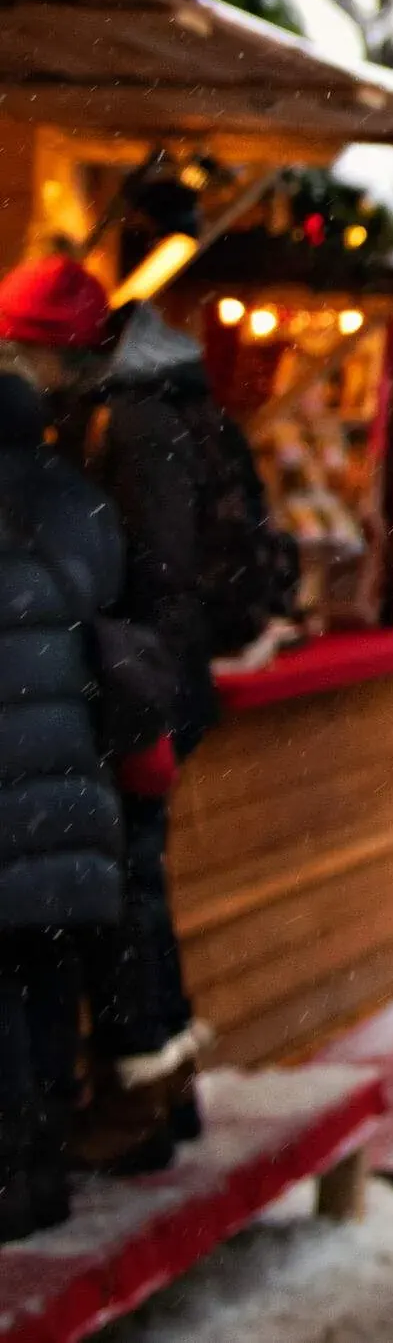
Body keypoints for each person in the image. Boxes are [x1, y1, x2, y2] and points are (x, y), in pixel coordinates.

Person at [72, 298, 294, 1170]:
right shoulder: (184, 407)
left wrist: (130, 666)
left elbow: (156, 565)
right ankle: (163, 1096)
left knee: (127, 893)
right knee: (137, 886)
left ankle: (141, 1103)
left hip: (141, 680)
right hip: (167, 675)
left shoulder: (134, 423)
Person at [0, 294, 127, 1242]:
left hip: (10, 800)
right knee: (45, 982)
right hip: (72, 795)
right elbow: (107, 596)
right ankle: (44, 1160)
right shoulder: (76, 497)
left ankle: (19, 1173)